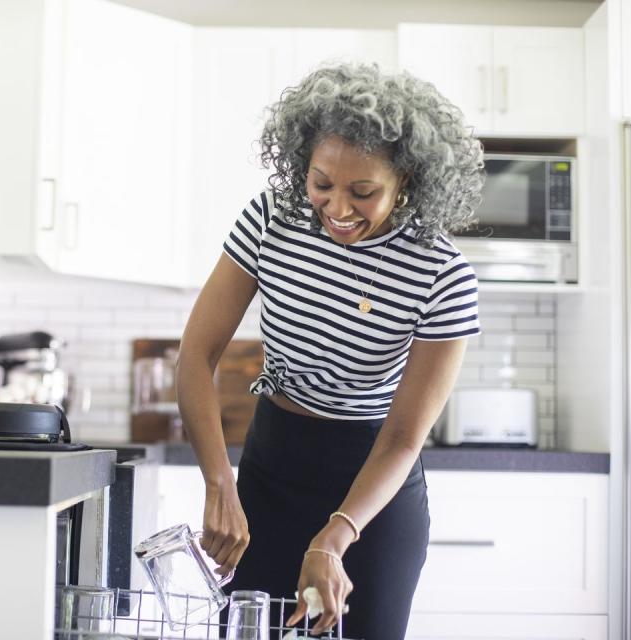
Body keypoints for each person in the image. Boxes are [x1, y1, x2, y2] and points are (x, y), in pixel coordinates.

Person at [175, 63, 484, 640]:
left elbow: (402, 438)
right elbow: (196, 355)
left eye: (363, 192)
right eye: (322, 183)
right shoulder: (271, 218)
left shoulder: (442, 274)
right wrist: (219, 482)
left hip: (372, 488)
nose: (337, 209)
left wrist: (335, 536)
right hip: (272, 466)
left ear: (408, 180)